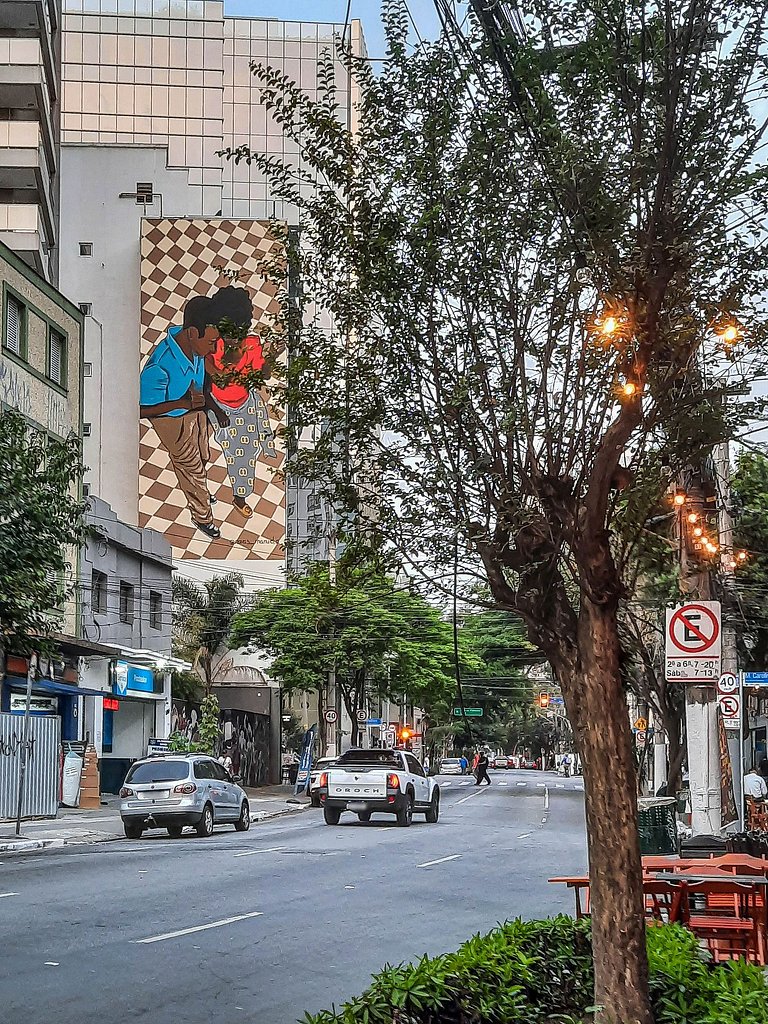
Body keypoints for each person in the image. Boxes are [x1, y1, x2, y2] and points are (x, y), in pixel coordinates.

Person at [140, 295, 222, 539]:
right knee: (190, 465)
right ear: (192, 334)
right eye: (211, 342)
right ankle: (203, 517)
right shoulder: (160, 367)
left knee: (203, 454)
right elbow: (140, 410)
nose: (214, 348)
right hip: (169, 417)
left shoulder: (195, 349)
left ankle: (201, 489)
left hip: (192, 411)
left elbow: (202, 381)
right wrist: (182, 403)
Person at [206, 285, 278, 519]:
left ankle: (239, 495)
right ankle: (222, 494)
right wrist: (217, 411)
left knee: (247, 452)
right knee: (223, 450)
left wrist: (272, 357)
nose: (234, 337)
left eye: (240, 330)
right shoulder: (212, 347)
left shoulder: (252, 344)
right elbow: (216, 380)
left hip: (246, 403)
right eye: (229, 331)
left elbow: (263, 375)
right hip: (218, 404)